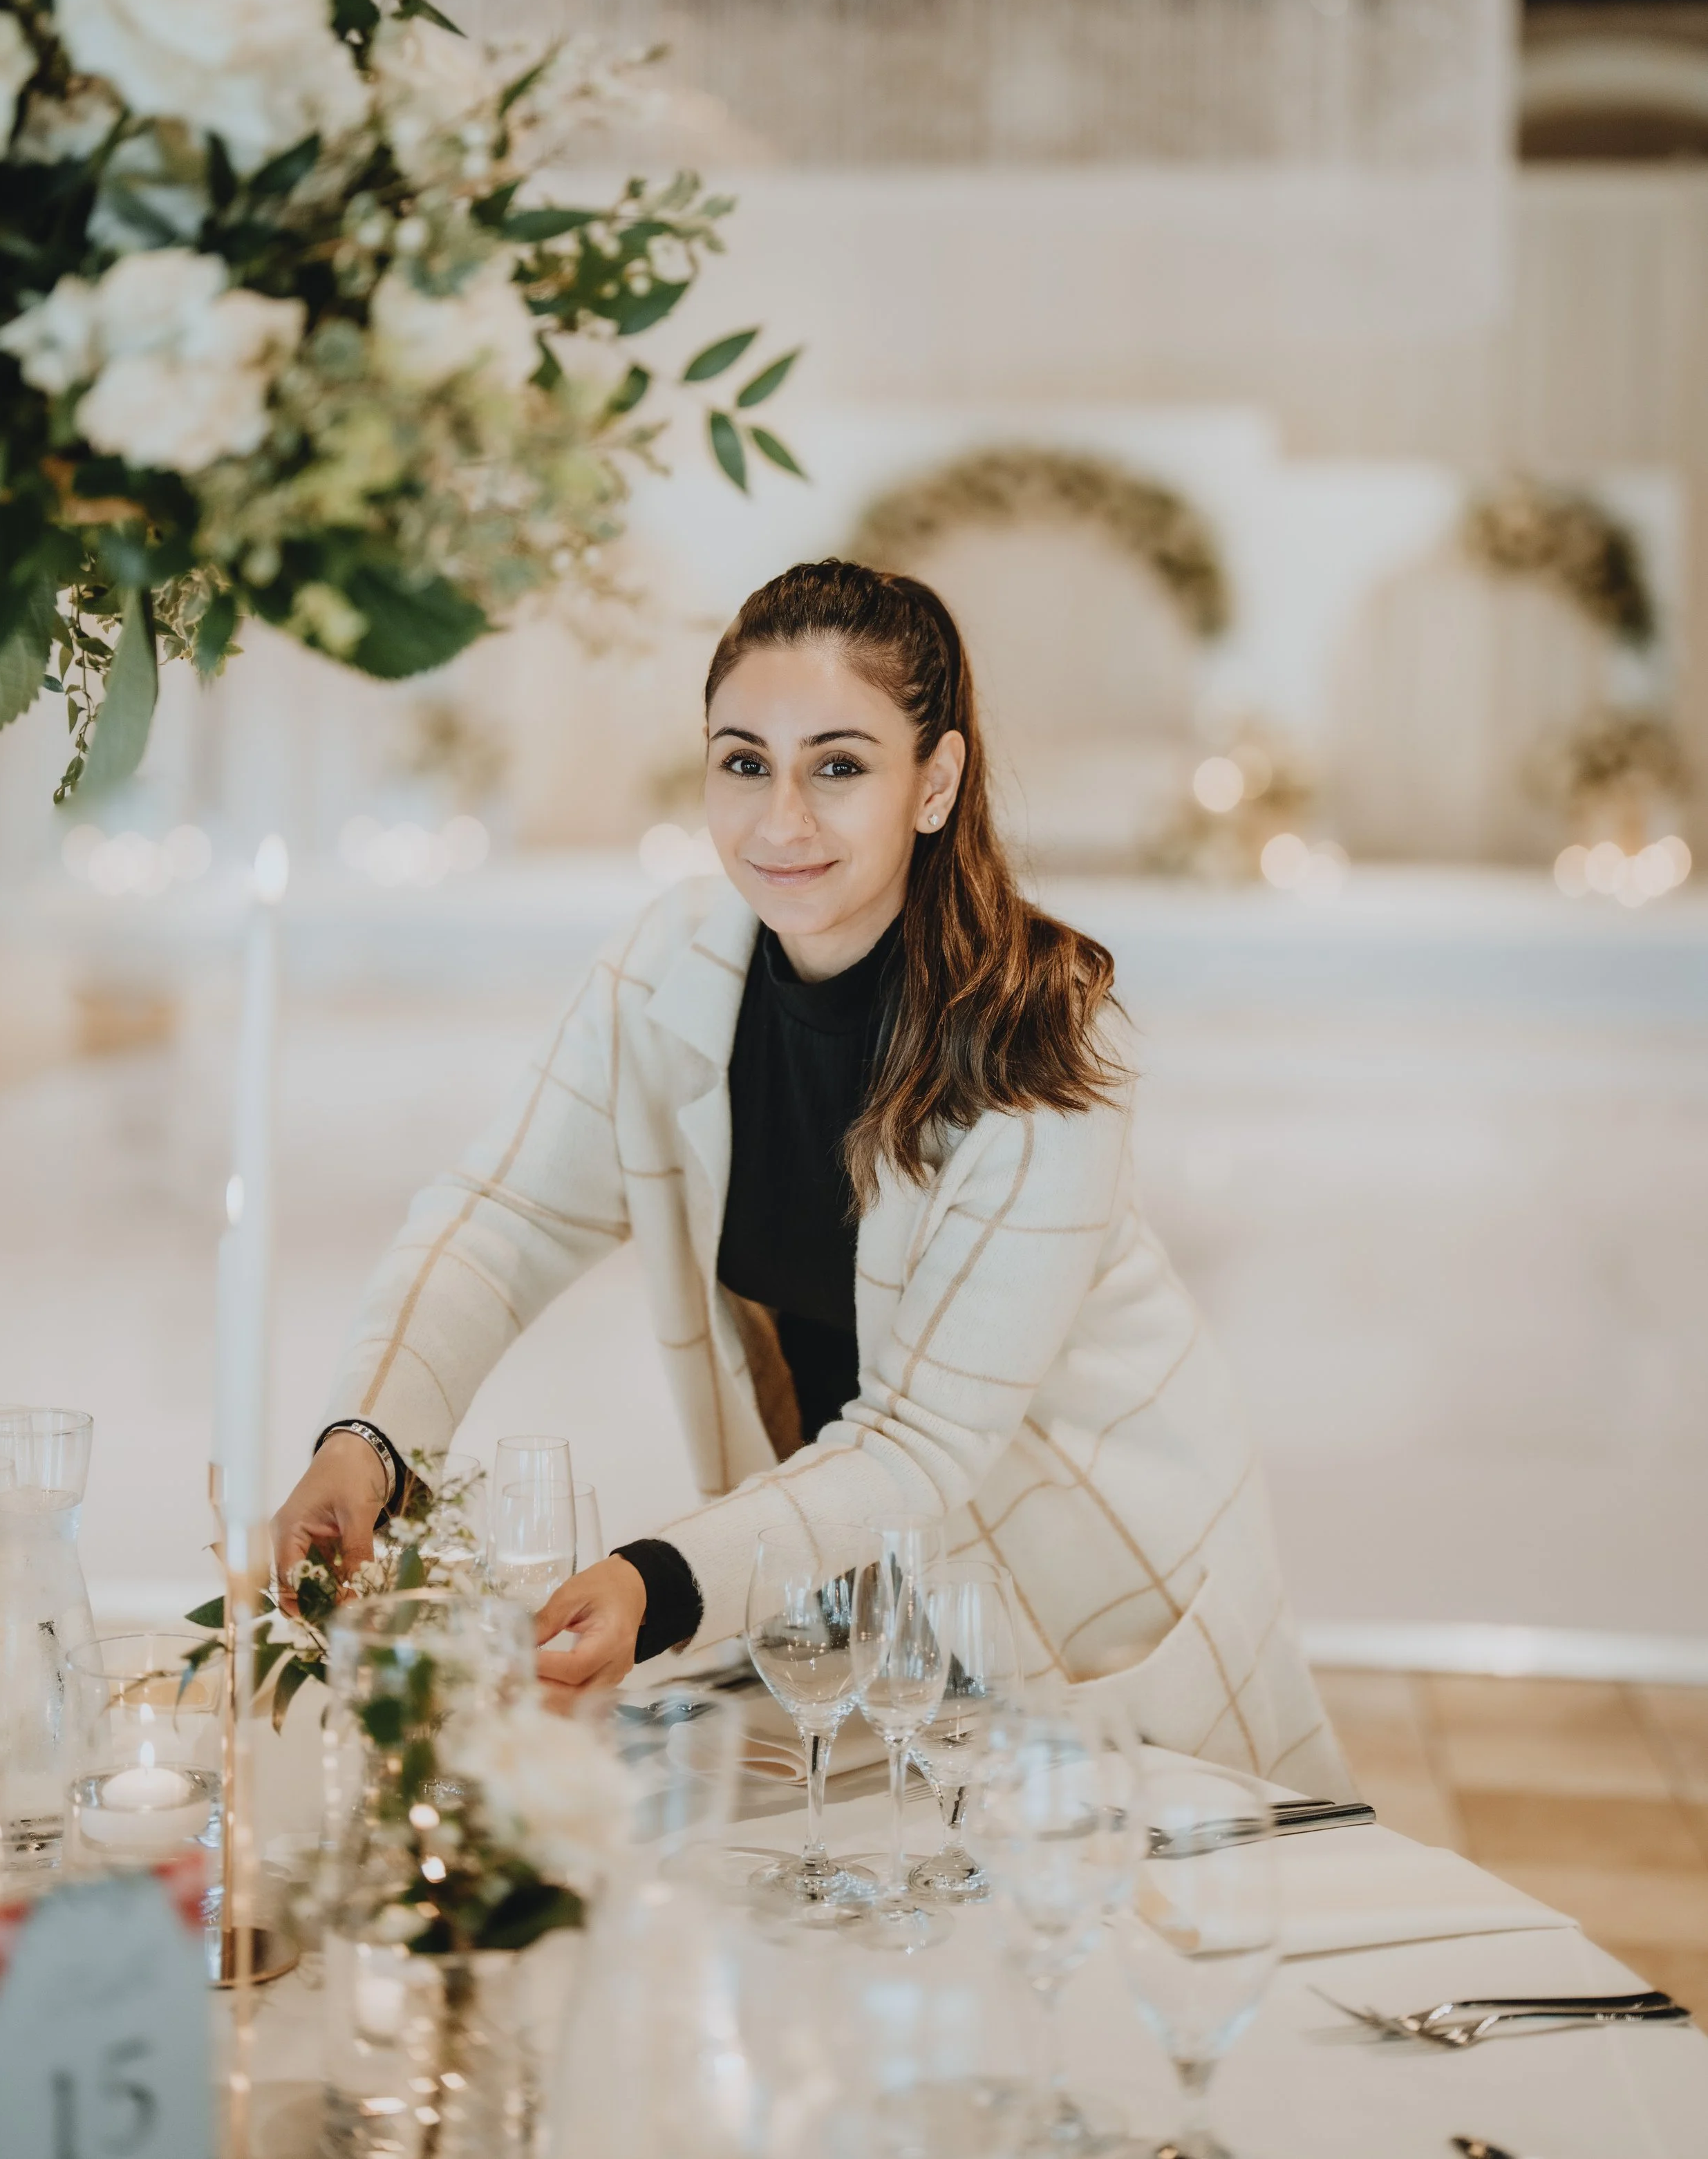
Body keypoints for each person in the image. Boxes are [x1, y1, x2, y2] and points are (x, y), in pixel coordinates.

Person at [273, 559, 1350, 1795]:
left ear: (934, 781)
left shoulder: (1039, 1042)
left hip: (1090, 1592)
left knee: (1129, 1950)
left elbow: (921, 1442)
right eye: (745, 761)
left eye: (838, 765)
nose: (780, 819)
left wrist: (657, 1580)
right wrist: (368, 1439)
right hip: (863, 1609)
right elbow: (501, 1215)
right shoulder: (666, 966)